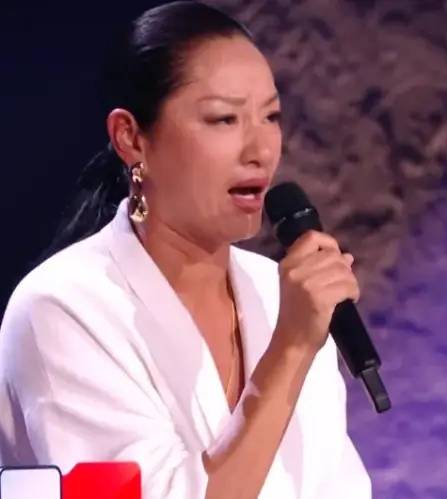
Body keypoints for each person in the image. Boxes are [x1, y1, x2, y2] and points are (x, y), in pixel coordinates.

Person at [0, 2, 370, 498]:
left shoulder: (277, 294)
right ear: (131, 138)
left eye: (271, 116)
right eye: (223, 119)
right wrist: (291, 349)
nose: (261, 150)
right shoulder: (62, 308)